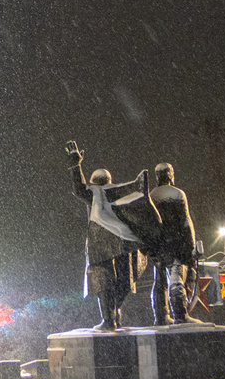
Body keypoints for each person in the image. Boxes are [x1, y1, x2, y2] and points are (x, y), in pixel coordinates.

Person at [66, 141, 157, 329]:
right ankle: (116, 318)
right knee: (121, 282)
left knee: (103, 282)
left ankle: (109, 321)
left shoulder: (94, 193)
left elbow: (78, 189)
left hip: (101, 245)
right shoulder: (122, 191)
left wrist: (76, 165)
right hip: (126, 243)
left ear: (94, 182)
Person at [140, 162, 204, 324]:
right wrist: (190, 247)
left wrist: (150, 247)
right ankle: (181, 316)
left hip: (158, 248)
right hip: (176, 246)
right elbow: (185, 222)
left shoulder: (151, 196)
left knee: (160, 281)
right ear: (169, 174)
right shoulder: (177, 194)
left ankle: (161, 317)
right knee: (176, 280)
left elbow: (147, 225)